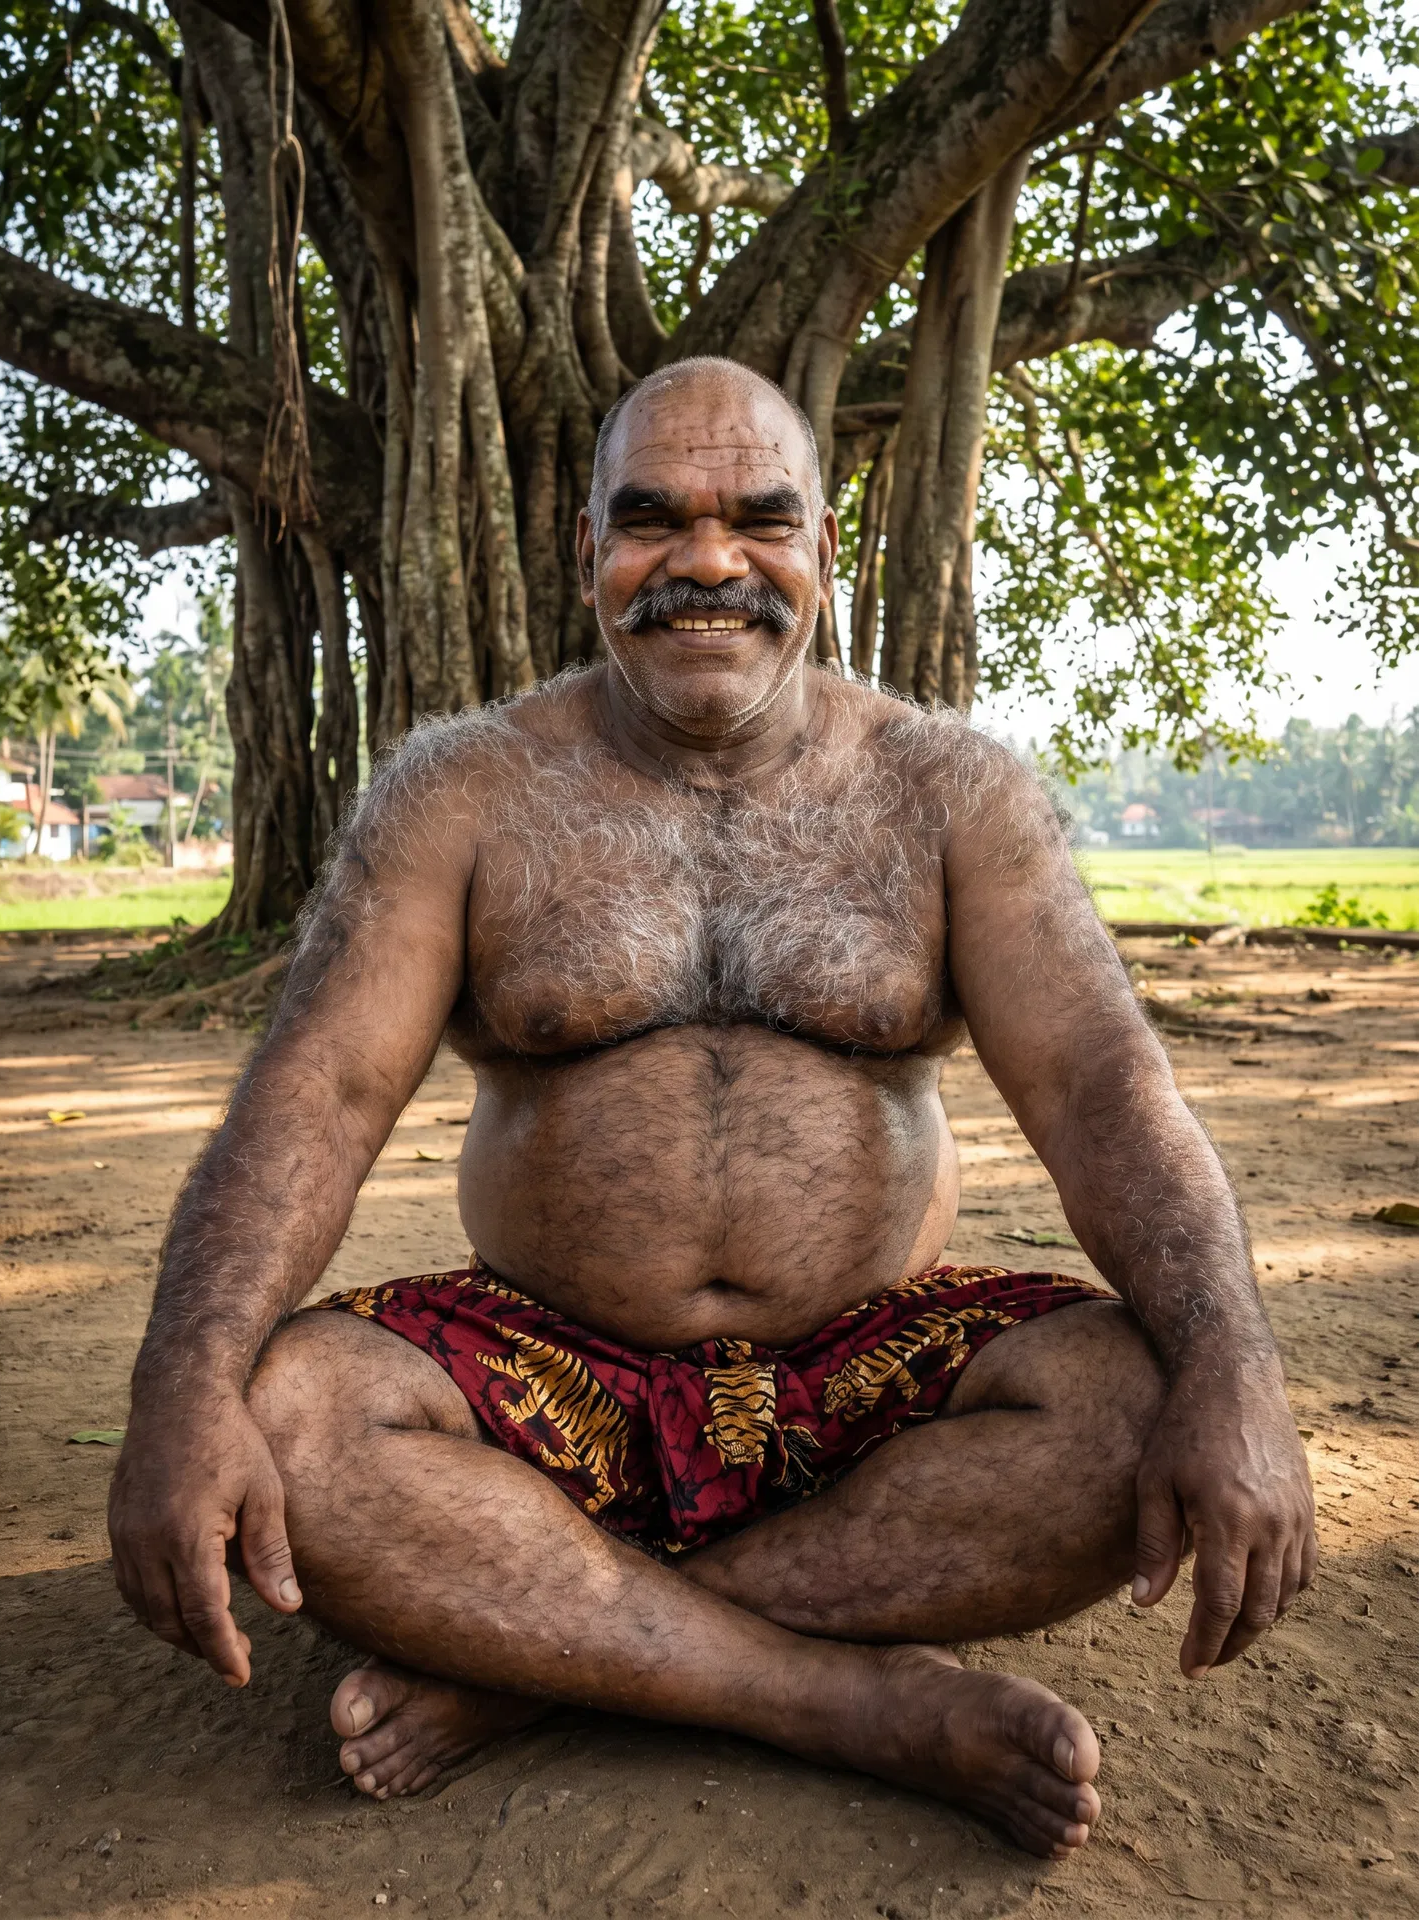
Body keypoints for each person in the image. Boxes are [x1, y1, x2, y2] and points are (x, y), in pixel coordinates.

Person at [109, 357, 1315, 1861]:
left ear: (825, 547)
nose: (707, 562)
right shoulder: (461, 794)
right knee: (287, 1422)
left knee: (1140, 1405)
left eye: (758, 518)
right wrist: (182, 1385)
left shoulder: (951, 792)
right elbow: (319, 1097)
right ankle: (840, 1699)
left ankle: (541, 1664)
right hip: (546, 1372)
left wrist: (1237, 1371)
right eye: (651, 519)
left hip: (866, 1372)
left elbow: (1100, 1089)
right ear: (586, 550)